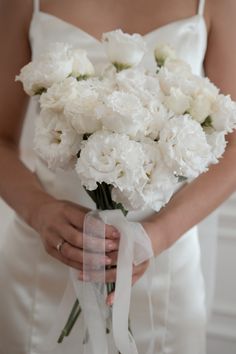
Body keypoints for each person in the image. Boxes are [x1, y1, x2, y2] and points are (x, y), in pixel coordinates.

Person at [0, 0, 236, 353]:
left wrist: (158, 236)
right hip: (45, 259)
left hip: (163, 267)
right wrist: (39, 211)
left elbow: (233, 146)